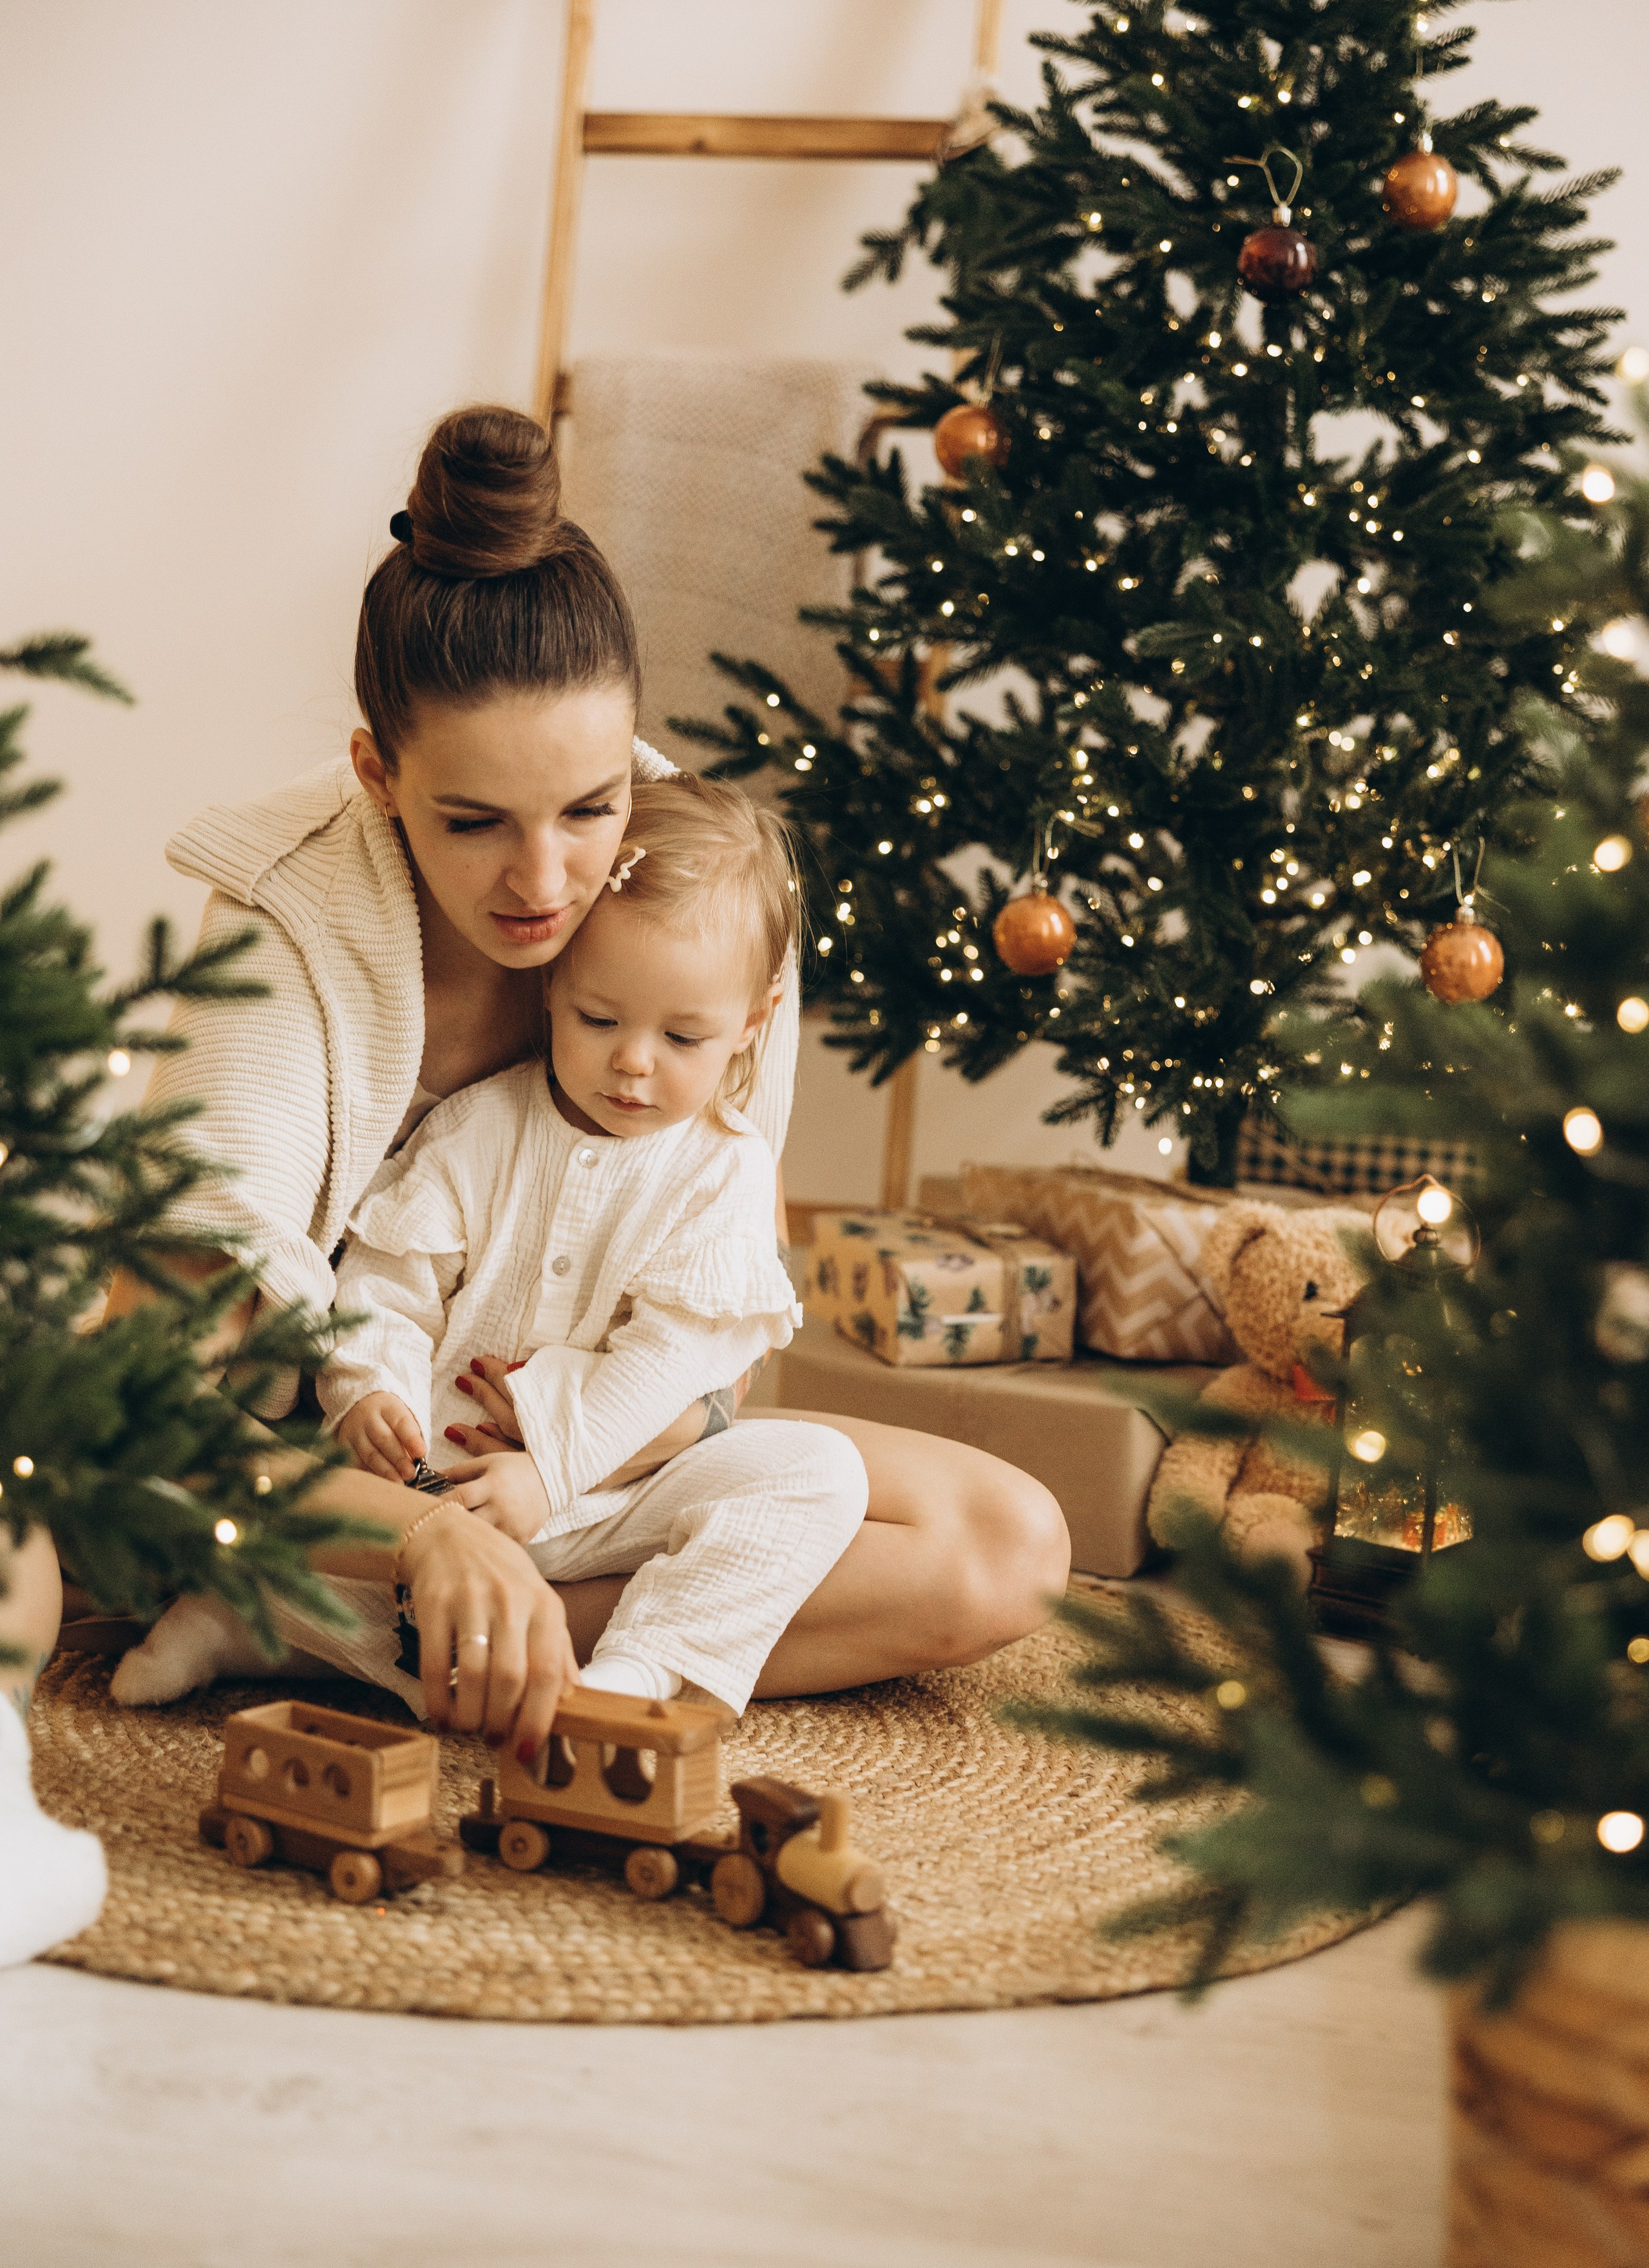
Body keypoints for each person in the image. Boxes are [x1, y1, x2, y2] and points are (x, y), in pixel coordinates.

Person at [35, 402, 1066, 1759]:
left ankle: (339, 1638)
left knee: (1006, 1544)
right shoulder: (290, 923)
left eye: (590, 809)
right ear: (379, 776)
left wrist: (541, 1487)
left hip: (565, 1460)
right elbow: (158, 1404)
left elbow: (708, 1363)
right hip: (320, 1457)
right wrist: (421, 1536)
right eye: (473, 823)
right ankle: (379, 1597)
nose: (543, 884)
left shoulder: (698, 902)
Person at [320, 771, 869, 1723]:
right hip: (426, 1492)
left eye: (684, 1035)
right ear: (553, 988)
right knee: (286, 1523)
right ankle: (254, 1629)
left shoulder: (723, 1172)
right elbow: (389, 1283)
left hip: (598, 1502)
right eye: (599, 1019)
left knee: (822, 1473)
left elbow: (670, 1363)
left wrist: (549, 1474)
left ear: (752, 1023)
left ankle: (641, 1670)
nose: (632, 1061)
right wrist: (368, 1389)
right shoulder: (477, 1129)